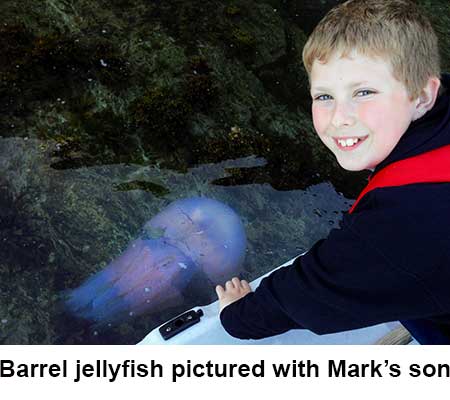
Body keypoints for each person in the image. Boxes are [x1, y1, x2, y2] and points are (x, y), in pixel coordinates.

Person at [215, 0, 450, 344]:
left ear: (422, 96)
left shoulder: (401, 225)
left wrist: (238, 315)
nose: (340, 117)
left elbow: (316, 291)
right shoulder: (439, 101)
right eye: (324, 96)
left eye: (364, 92)